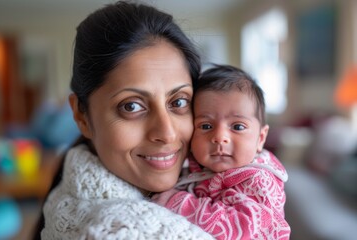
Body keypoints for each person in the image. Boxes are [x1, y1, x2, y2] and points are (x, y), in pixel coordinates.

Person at [34, 1, 215, 239]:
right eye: (131, 106)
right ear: (81, 116)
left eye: (179, 102)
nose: (167, 133)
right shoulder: (122, 230)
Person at [152, 65, 291, 240]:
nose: (219, 137)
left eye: (238, 126)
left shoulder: (257, 180)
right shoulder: (196, 162)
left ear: (261, 138)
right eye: (206, 126)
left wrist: (178, 202)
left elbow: (239, 228)